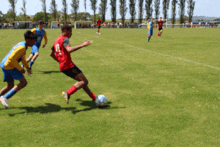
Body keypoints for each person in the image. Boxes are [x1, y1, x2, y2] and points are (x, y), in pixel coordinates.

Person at [50, 24, 97, 105]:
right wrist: (83, 45)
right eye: (70, 32)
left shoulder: (56, 40)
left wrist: (60, 61)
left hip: (63, 66)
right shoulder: (65, 39)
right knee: (84, 81)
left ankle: (94, 98)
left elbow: (51, 54)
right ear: (65, 31)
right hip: (68, 65)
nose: (71, 34)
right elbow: (68, 50)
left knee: (82, 82)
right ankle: (67, 93)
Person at [0, 30, 37, 108]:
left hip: (4, 64)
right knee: (23, 82)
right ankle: (5, 97)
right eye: (33, 41)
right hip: (9, 66)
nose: (34, 43)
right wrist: (20, 68)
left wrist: (27, 67)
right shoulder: (22, 48)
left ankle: (3, 97)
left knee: (10, 85)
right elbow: (11, 59)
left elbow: (22, 58)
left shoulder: (23, 45)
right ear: (28, 40)